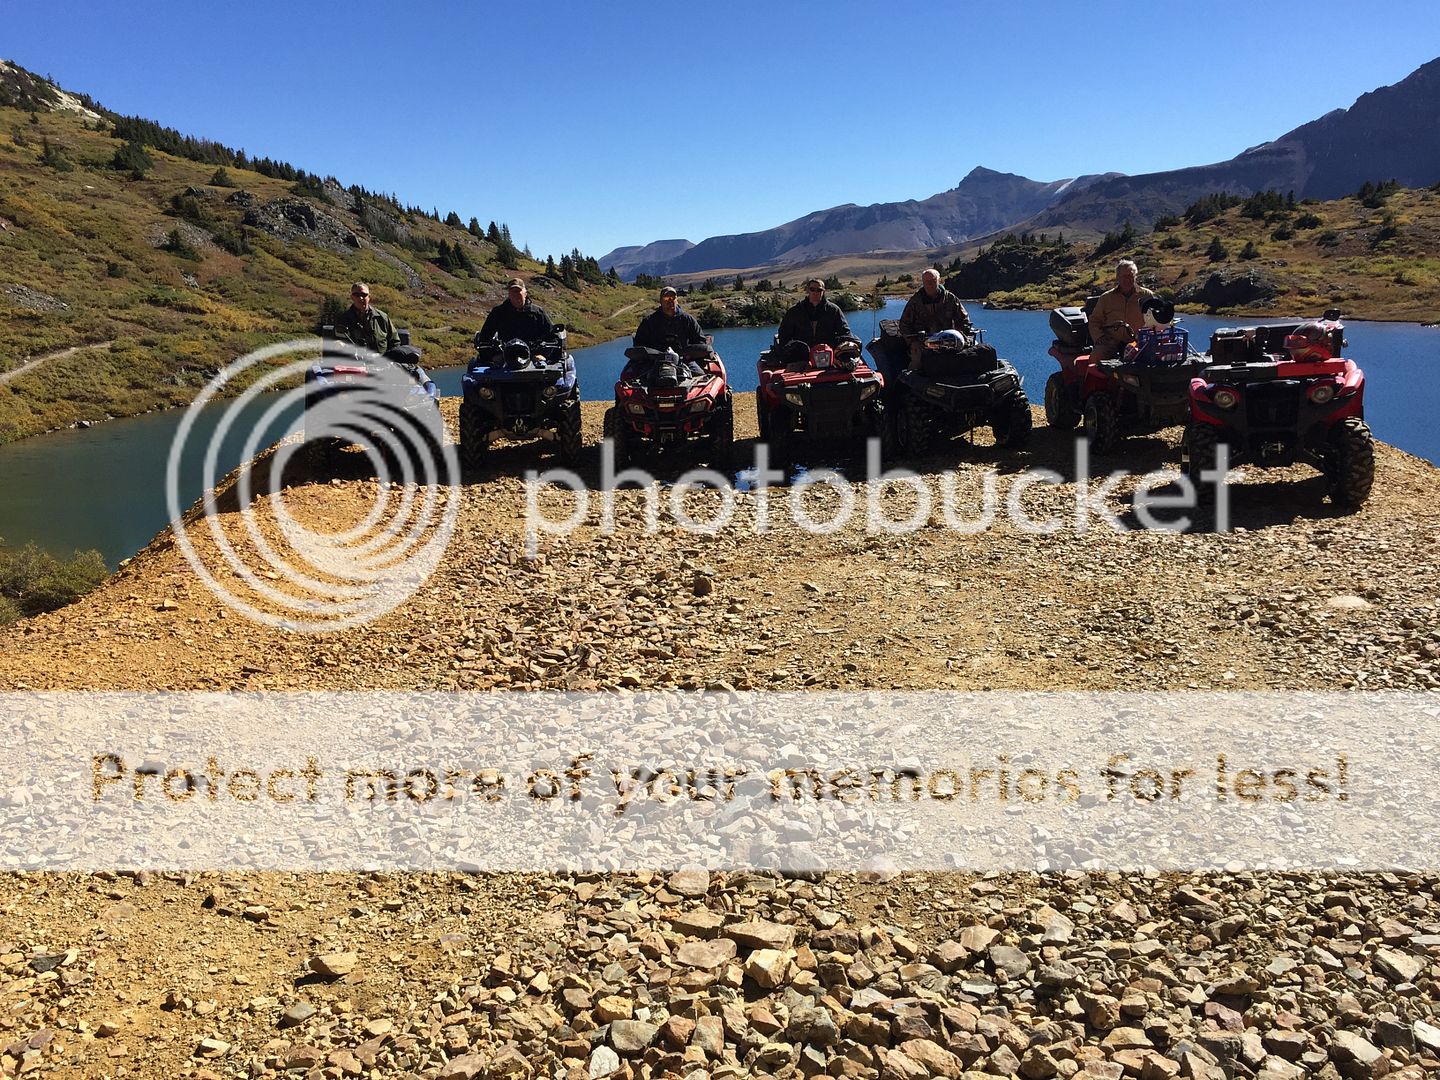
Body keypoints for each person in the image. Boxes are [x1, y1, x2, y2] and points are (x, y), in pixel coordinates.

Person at [898, 269, 975, 371]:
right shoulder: (915, 301)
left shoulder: (950, 298)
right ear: (923, 282)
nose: (930, 284)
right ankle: (910, 379)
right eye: (926, 282)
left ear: (939, 281)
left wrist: (961, 335)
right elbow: (904, 324)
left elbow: (964, 320)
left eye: (933, 281)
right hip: (923, 342)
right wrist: (913, 341)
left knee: (966, 359)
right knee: (917, 364)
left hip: (947, 341)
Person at [1087, 259, 1155, 362]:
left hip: (1138, 342)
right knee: (1096, 357)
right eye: (1124, 276)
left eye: (1130, 276)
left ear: (1135, 276)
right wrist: (1099, 338)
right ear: (1118, 277)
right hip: (1110, 343)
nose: (1127, 279)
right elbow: (1094, 321)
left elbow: (1157, 319)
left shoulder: (1147, 296)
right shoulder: (1106, 298)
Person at [777, 279, 854, 360]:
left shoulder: (833, 310)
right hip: (800, 357)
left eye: (819, 290)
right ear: (807, 290)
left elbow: (845, 333)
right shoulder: (795, 311)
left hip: (828, 355)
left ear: (823, 291)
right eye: (812, 289)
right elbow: (784, 335)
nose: (815, 292)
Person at [478, 278, 556, 352]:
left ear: (525, 293)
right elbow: (485, 337)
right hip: (505, 355)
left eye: (518, 292)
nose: (516, 296)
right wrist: (495, 355)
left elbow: (552, 338)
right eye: (512, 292)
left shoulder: (538, 313)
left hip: (533, 356)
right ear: (509, 294)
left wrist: (541, 354)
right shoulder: (498, 312)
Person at [333, 282, 399, 356]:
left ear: (369, 297)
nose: (360, 298)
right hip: (353, 362)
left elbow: (395, 342)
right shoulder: (343, 319)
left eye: (364, 295)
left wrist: (387, 358)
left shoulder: (382, 318)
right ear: (352, 297)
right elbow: (335, 344)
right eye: (357, 295)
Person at [634, 286, 707, 351]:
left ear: (676, 300)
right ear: (660, 301)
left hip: (685, 359)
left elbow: (700, 341)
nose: (670, 301)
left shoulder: (688, 319)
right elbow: (639, 345)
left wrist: (691, 354)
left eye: (673, 298)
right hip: (656, 360)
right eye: (666, 298)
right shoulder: (649, 322)